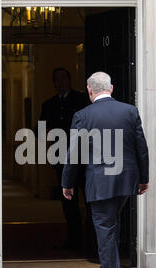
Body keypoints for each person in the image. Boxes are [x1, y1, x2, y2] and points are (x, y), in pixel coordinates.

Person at [61, 72, 150, 268]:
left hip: (100, 184)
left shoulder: (83, 115)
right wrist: (144, 178)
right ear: (111, 88)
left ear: (90, 90)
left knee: (105, 232)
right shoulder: (129, 111)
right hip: (125, 182)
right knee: (112, 226)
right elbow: (141, 148)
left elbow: (74, 154)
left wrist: (67, 183)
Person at [38, 67, 90, 251]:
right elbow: (41, 130)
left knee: (90, 201)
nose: (60, 82)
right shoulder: (48, 104)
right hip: (62, 158)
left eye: (63, 78)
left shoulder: (82, 100)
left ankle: (91, 243)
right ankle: (74, 241)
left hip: (84, 159)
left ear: (69, 80)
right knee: (68, 203)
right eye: (56, 79)